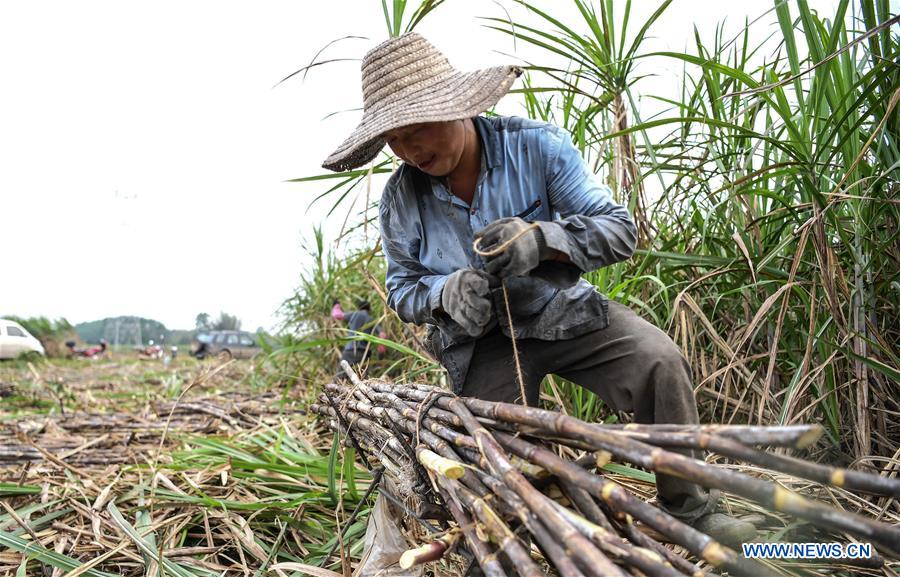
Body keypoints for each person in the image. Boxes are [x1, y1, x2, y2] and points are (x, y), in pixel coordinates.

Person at [321, 33, 755, 549]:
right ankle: (514, 541)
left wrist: (543, 240)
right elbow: (402, 289)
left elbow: (618, 230)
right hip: (481, 342)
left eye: (418, 130)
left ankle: (692, 510)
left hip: (561, 312)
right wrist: (443, 293)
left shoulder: (536, 147)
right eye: (395, 139)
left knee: (658, 361)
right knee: (496, 468)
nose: (410, 151)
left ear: (457, 107)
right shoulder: (400, 199)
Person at [332, 298, 387, 380]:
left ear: (359, 308)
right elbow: (382, 335)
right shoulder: (370, 319)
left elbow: (337, 315)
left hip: (349, 351)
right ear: (369, 309)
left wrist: (336, 305)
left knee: (339, 377)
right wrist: (381, 352)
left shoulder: (354, 315)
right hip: (363, 353)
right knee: (363, 378)